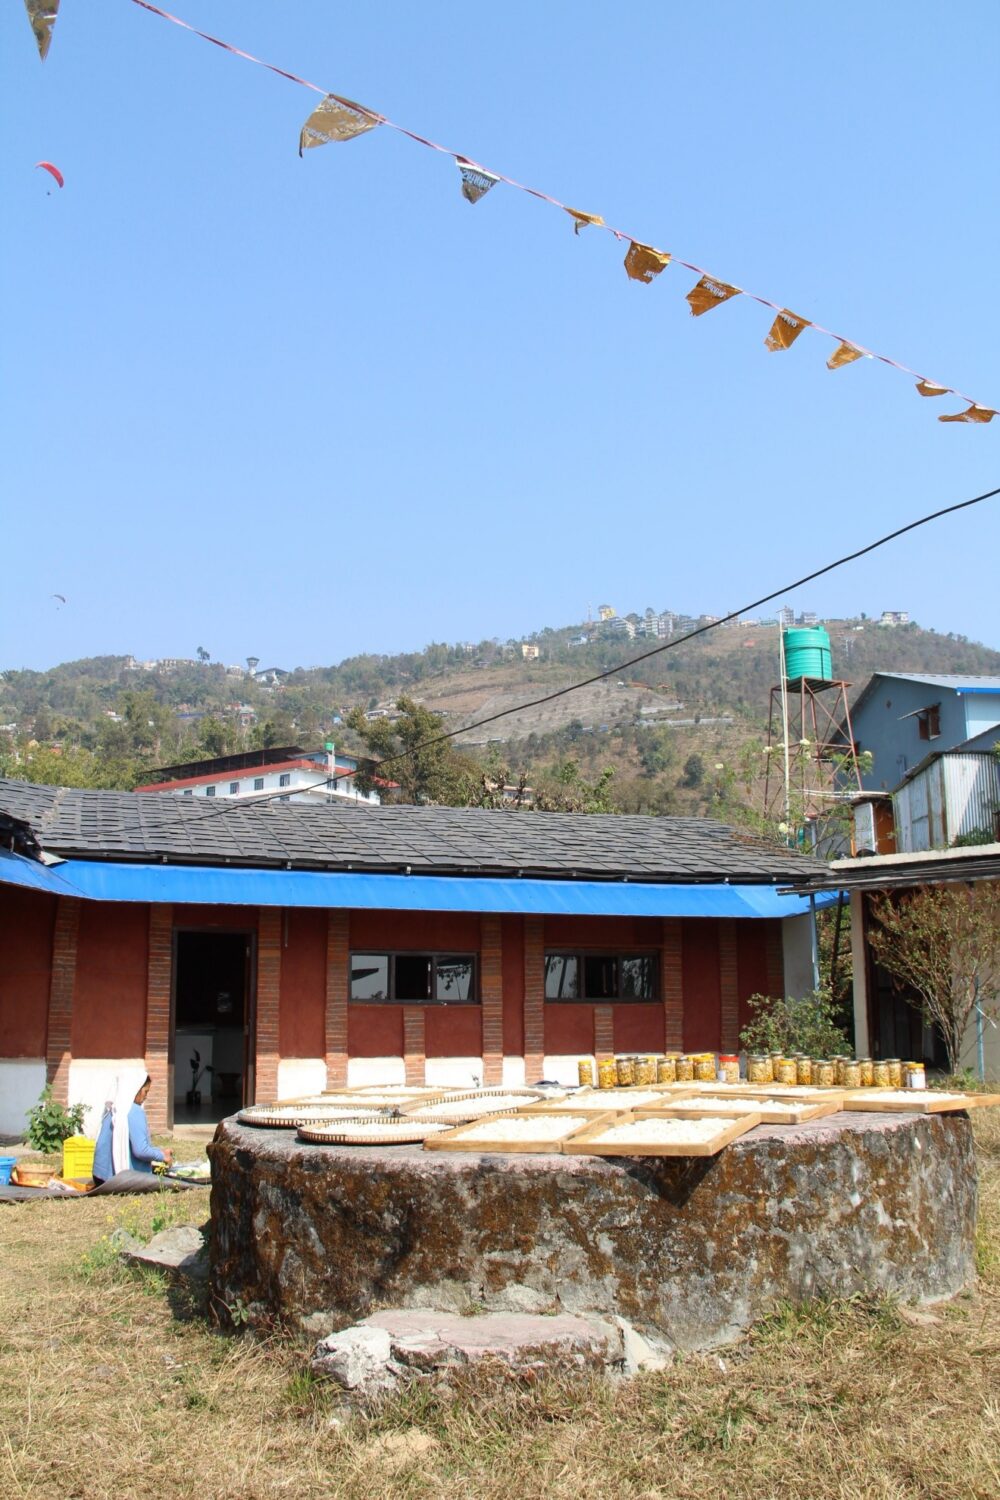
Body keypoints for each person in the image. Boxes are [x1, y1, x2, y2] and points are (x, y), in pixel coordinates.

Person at [92, 1069, 172, 1185]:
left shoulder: (113, 1108)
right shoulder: (134, 1111)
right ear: (136, 1089)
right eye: (145, 1092)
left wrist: (160, 1151)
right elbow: (141, 1151)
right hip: (115, 1179)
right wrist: (162, 1156)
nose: (146, 1097)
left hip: (99, 1177)